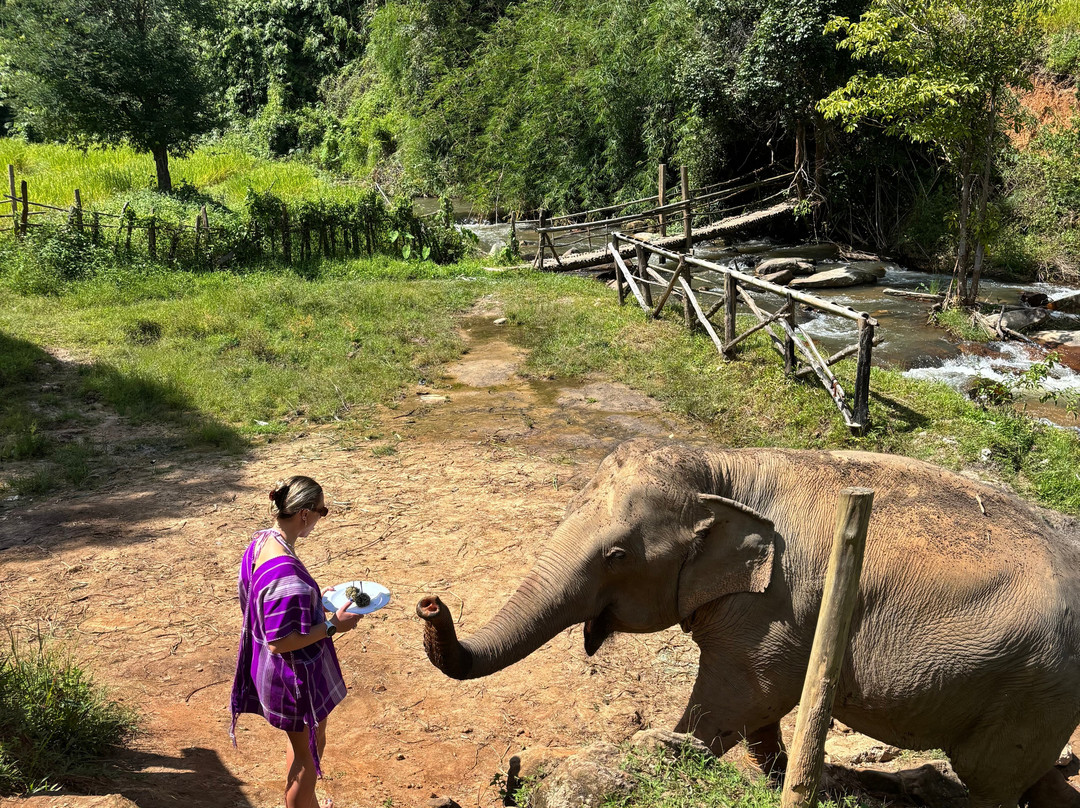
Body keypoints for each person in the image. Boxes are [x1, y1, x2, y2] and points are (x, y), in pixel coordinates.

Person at [230, 475, 361, 808]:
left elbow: (263, 604)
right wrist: (333, 625)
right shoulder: (285, 575)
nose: (320, 518)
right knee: (308, 758)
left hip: (269, 669)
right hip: (293, 678)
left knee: (302, 743)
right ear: (304, 513)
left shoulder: (262, 542)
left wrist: (314, 597)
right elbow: (280, 642)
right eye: (322, 511)